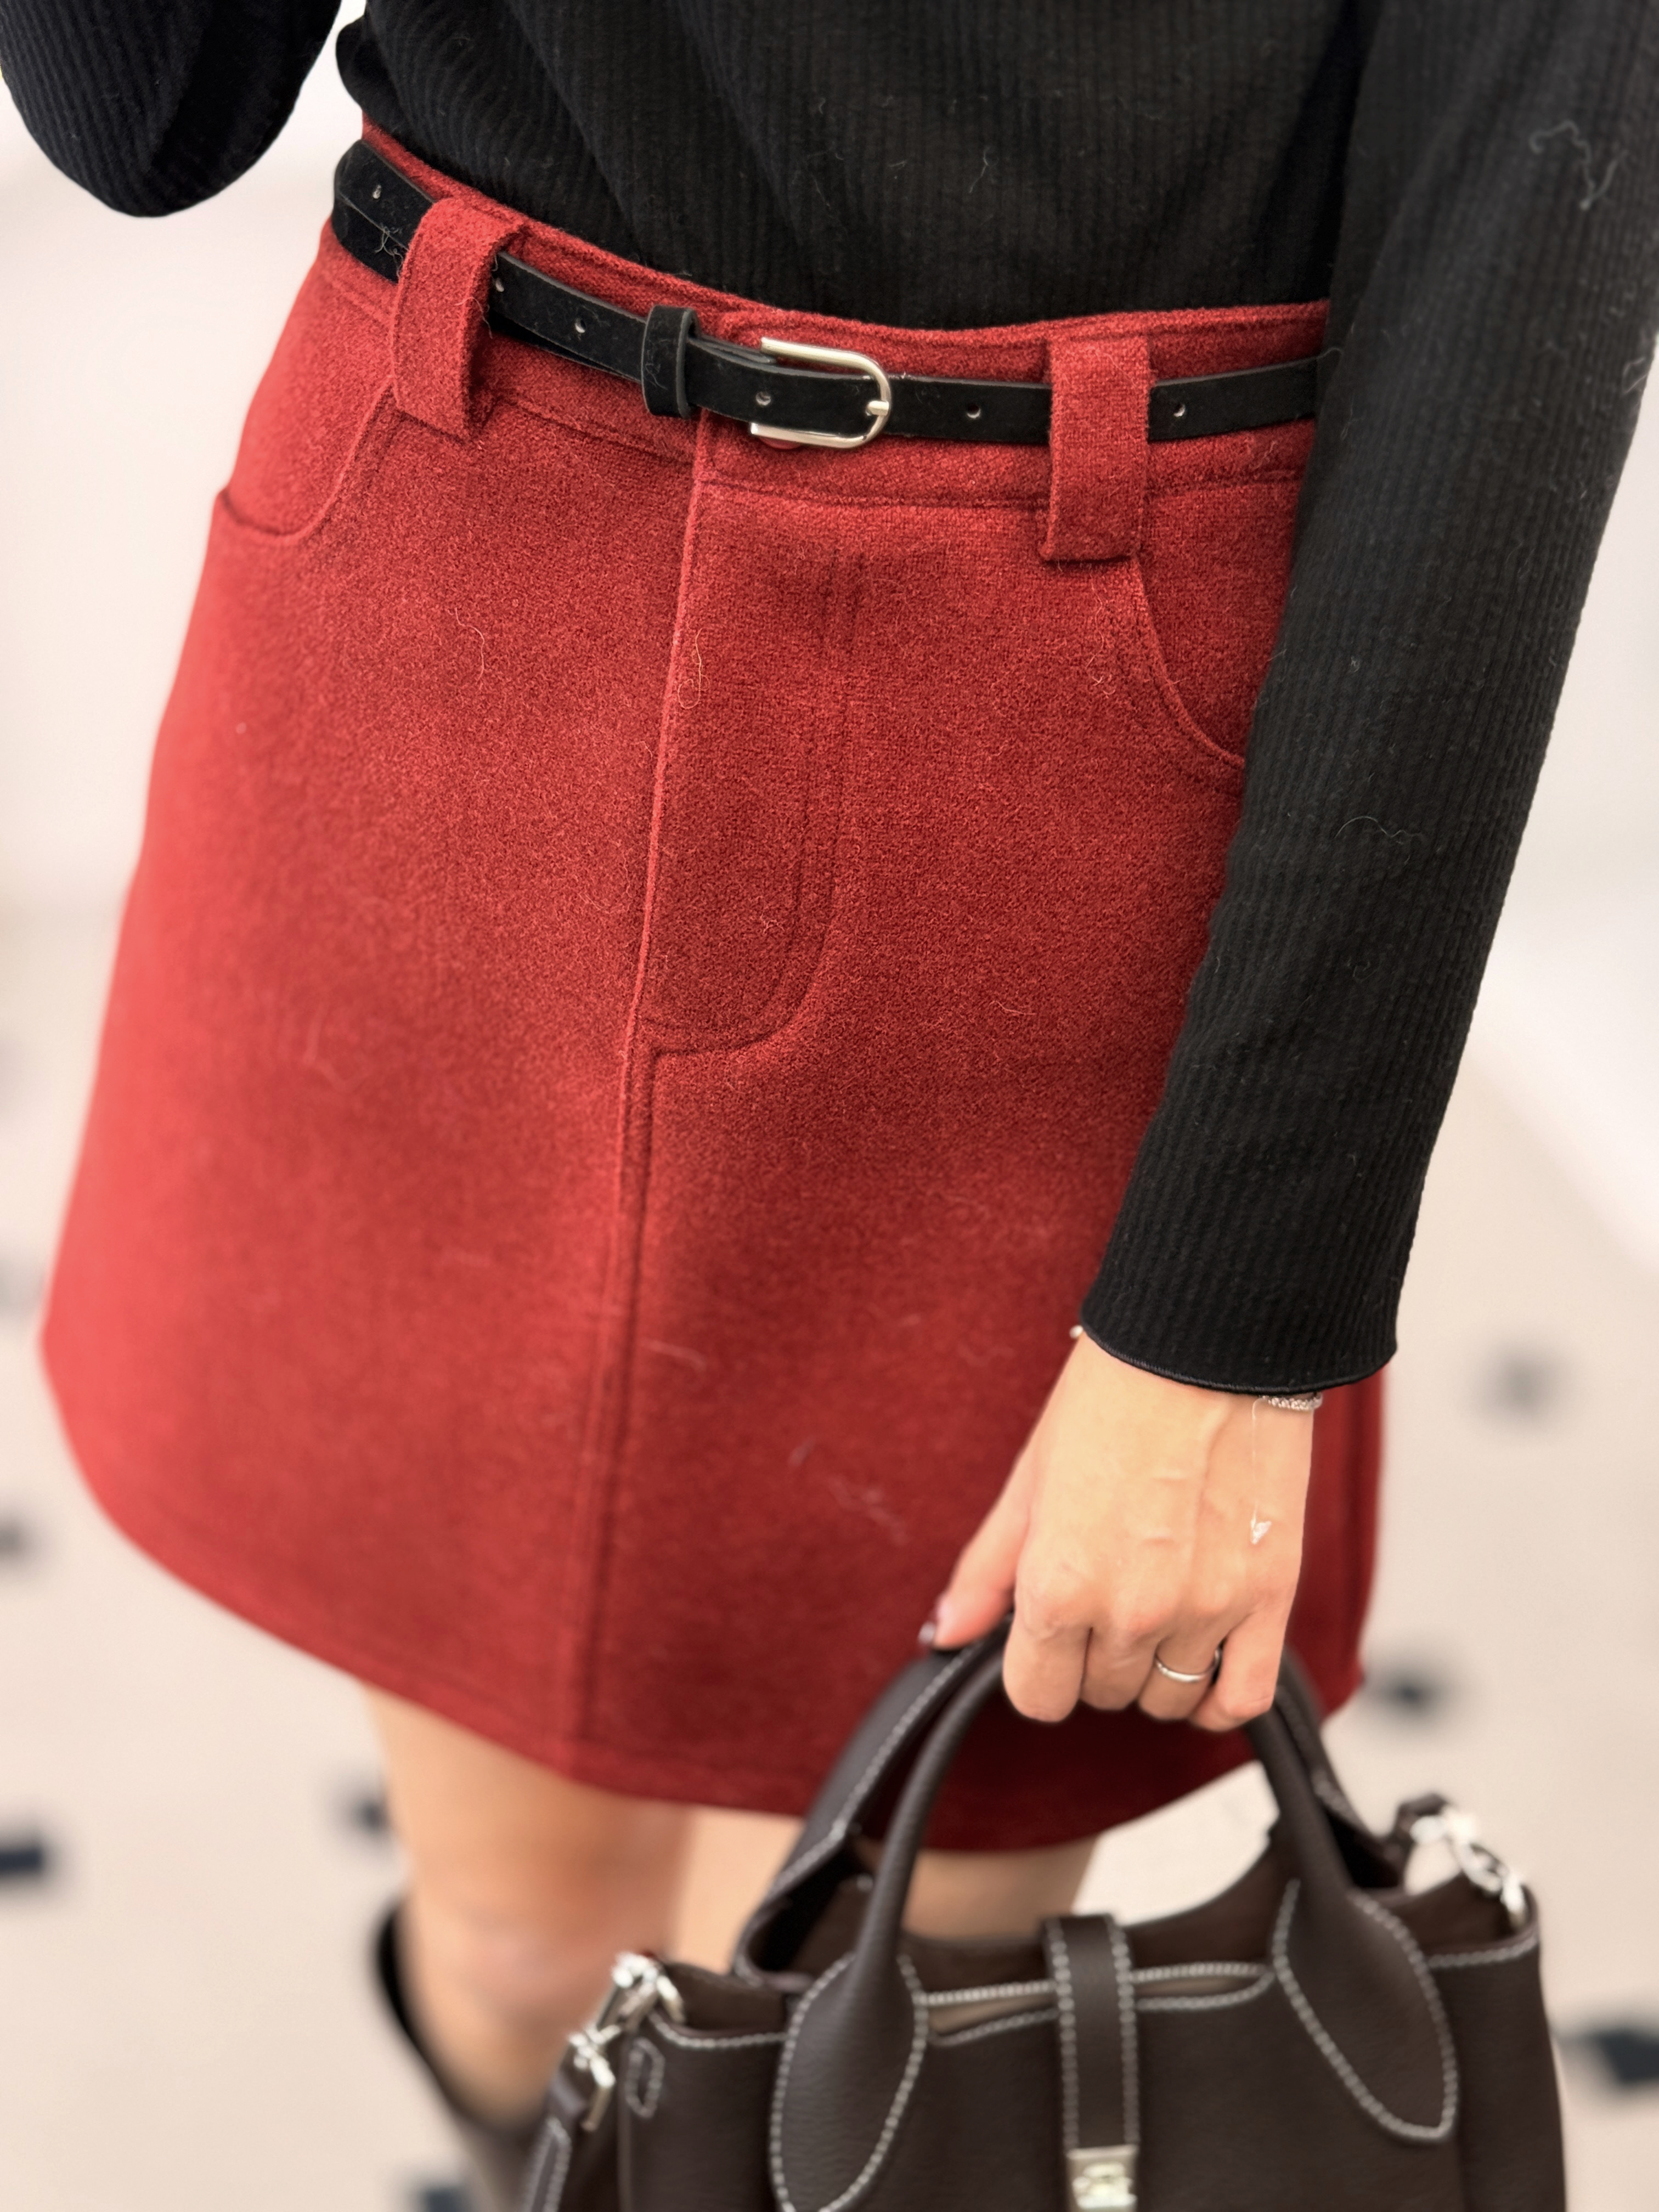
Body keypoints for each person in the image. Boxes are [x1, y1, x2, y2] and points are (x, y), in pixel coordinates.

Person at [3, 4, 1654, 2204]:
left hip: (1074, 770)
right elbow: (141, 118)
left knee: (851, 2084)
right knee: (517, 1956)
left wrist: (1238, 1317)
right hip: (468, 588)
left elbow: (1510, 308)